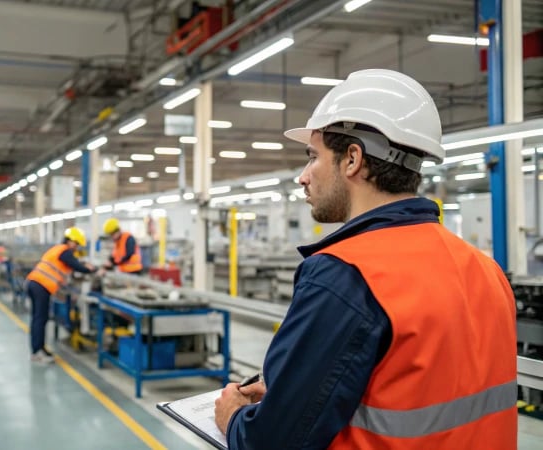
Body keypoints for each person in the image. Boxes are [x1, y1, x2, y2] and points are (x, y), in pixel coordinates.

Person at [214, 69, 517, 449]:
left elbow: (272, 442)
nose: (303, 177)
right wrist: (293, 388)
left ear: (352, 159)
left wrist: (233, 418)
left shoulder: (345, 276)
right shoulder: (486, 270)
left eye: (313, 157)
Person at [25, 227, 99, 363]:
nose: (76, 248)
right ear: (70, 241)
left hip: (35, 284)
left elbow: (71, 263)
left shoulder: (59, 250)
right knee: (40, 319)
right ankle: (37, 353)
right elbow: (76, 265)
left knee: (40, 319)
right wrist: (91, 270)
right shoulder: (65, 251)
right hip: (41, 286)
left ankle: (40, 348)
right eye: (76, 244)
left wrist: (83, 264)